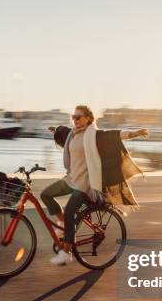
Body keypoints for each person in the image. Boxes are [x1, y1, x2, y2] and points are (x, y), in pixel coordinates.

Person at [41, 105, 147, 265]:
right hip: (71, 180)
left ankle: (66, 252)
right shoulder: (72, 134)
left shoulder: (94, 135)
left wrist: (134, 134)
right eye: (73, 117)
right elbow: (63, 131)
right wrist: (55, 129)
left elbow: (114, 135)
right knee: (45, 195)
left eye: (78, 117)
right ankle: (63, 224)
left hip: (86, 185)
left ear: (88, 119)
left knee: (70, 211)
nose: (75, 120)